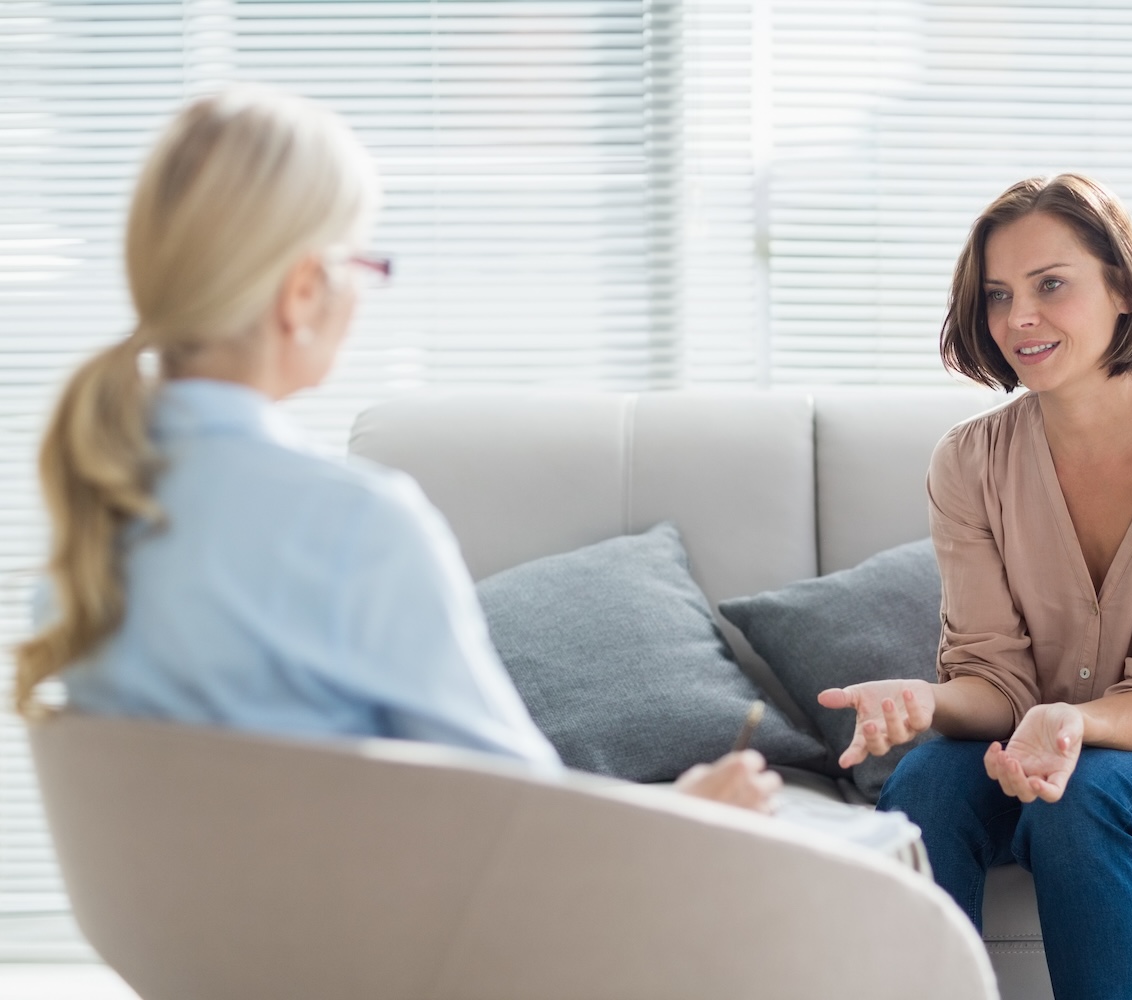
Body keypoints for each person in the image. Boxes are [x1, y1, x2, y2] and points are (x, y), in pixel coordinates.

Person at [14, 86, 780, 815]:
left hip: (186, 952)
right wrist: (687, 814)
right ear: (303, 292)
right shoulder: (354, 527)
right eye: (360, 264)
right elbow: (521, 826)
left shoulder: (91, 531)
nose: (363, 294)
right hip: (368, 950)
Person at [817, 174, 1132, 1000]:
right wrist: (927, 703)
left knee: (1082, 797)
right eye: (998, 295)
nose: (1019, 320)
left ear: (1120, 286)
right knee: (926, 781)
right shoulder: (968, 463)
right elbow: (998, 682)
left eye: (1051, 285)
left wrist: (1069, 722)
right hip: (1046, 753)